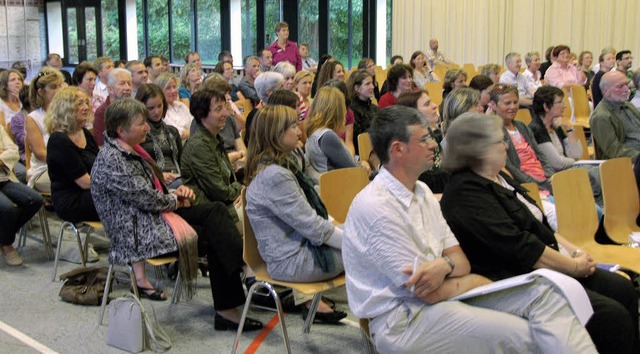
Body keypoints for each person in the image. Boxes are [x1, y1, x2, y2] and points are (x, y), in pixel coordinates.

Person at [343, 106, 597, 354]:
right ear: (398, 149)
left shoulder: (423, 193)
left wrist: (445, 266)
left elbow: (460, 261)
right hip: (403, 320)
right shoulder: (376, 207)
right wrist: (473, 278)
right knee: (528, 335)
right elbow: (428, 292)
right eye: (424, 139)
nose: (434, 145)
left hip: (445, 296)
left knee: (547, 295)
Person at [439, 113, 638, 354]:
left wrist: (576, 252)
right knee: (612, 318)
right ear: (478, 150)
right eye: (500, 141)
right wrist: (573, 267)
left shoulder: (499, 177)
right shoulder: (465, 193)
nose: (506, 146)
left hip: (551, 262)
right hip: (522, 277)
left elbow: (540, 225)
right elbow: (521, 247)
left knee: (624, 289)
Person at [91, 98, 262, 331]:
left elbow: (147, 193)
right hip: (136, 232)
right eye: (141, 123)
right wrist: (175, 199)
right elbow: (146, 198)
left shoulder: (129, 150)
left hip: (152, 216)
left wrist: (172, 193)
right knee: (215, 235)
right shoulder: (113, 160)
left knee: (216, 212)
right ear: (121, 130)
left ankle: (242, 276)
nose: (147, 128)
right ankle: (233, 297)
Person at [245, 105, 346, 323]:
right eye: (292, 126)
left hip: (297, 252)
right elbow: (315, 228)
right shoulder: (275, 175)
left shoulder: (280, 167)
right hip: (292, 262)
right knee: (371, 251)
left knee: (366, 238)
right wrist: (357, 243)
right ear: (277, 135)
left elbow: (311, 218)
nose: (299, 130)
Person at [181, 89, 242, 223]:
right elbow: (220, 192)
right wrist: (241, 189)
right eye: (219, 109)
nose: (226, 113)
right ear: (202, 114)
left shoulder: (213, 138)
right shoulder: (199, 146)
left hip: (222, 204)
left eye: (225, 107)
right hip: (211, 212)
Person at [46, 86, 100, 223]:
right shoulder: (58, 140)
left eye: (86, 102)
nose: (86, 107)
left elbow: (102, 165)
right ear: (66, 108)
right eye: (79, 103)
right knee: (122, 199)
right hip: (72, 199)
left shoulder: (85, 133)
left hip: (92, 191)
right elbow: (85, 182)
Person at [489, 84, 553, 192]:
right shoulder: (494, 132)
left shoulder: (522, 126)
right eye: (507, 103)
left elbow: (540, 154)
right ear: (494, 105)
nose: (513, 107)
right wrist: (541, 184)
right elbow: (511, 169)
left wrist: (550, 175)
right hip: (528, 186)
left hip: (544, 180)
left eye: (515, 102)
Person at [0, 123, 43, 266]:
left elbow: (13, 150)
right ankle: (7, 246)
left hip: (4, 178)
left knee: (35, 200)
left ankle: (3, 235)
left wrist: (1, 157)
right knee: (7, 209)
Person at [305, 87, 369, 182]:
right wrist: (364, 165)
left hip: (331, 184)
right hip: (340, 186)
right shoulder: (327, 136)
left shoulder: (315, 131)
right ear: (338, 110)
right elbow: (353, 169)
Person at [397, 89, 449, 193]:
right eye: (427, 104)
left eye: (431, 101)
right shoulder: (409, 145)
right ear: (413, 113)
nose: (434, 106)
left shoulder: (432, 134)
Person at [25, 67, 66, 192]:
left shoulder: (66, 113)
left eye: (60, 85)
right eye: (54, 87)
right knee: (76, 181)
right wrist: (69, 161)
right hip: (44, 169)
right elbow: (41, 153)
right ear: (41, 92)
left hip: (69, 165)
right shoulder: (33, 118)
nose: (60, 90)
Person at [136, 83, 183, 189]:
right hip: (154, 182)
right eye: (150, 108)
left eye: (159, 106)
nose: (156, 112)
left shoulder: (172, 131)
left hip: (177, 176)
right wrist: (158, 175)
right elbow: (137, 167)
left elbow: (182, 161)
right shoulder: (139, 134)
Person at [590, 71, 640, 161]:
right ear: (606, 91)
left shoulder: (627, 105)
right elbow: (614, 151)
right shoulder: (601, 116)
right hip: (627, 162)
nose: (626, 89)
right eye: (620, 86)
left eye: (626, 84)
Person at [243, 71, 285, 146]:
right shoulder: (256, 116)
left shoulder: (279, 109)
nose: (285, 90)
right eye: (281, 87)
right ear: (269, 92)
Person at [92, 68, 132, 146]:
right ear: (110, 89)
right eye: (122, 84)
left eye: (129, 84)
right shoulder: (102, 112)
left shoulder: (133, 109)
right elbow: (101, 144)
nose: (127, 88)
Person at [348, 69, 379, 155]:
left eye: (372, 83)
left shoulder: (374, 108)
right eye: (367, 84)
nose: (372, 86)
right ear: (357, 88)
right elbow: (358, 139)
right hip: (363, 153)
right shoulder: (351, 111)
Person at [155, 73, 193, 140]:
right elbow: (178, 134)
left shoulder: (181, 105)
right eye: (168, 88)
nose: (173, 91)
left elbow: (193, 124)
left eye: (174, 87)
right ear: (159, 91)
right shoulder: (161, 111)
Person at [323, 79, 356, 156]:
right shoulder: (318, 113)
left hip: (342, 151)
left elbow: (349, 142)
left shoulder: (348, 113)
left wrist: (351, 161)